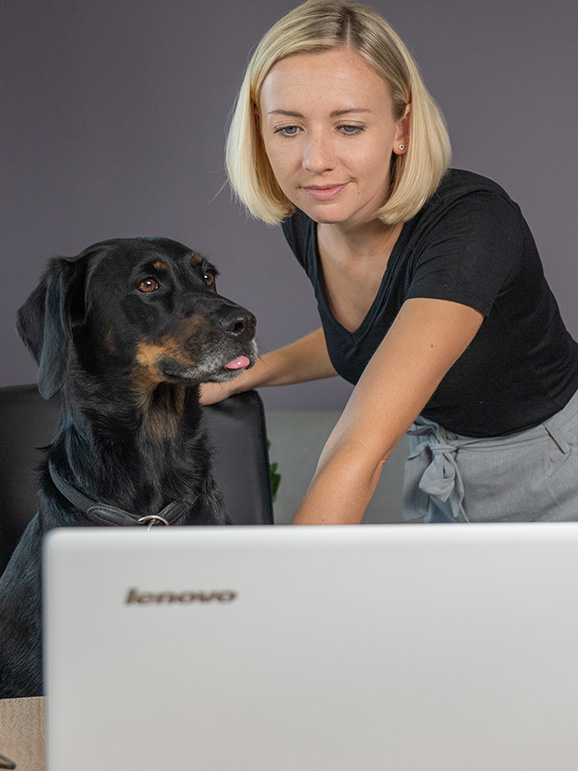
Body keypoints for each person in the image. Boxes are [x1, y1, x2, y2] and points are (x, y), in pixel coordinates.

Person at [201, 0, 578, 525]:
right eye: (289, 129)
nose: (315, 160)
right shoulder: (309, 215)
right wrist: (245, 374)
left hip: (558, 471)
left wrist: (281, 597)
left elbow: (359, 445)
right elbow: (373, 339)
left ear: (402, 128)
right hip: (443, 467)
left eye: (349, 127)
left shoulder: (472, 226)